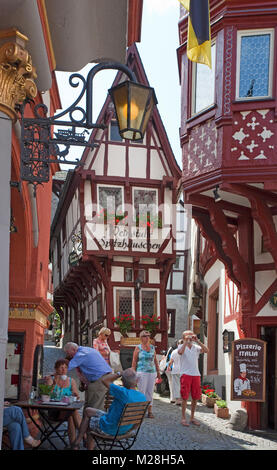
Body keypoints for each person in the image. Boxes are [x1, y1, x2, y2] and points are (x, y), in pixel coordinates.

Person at [70, 368, 147, 450]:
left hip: (109, 428)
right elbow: (140, 419)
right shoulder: (142, 397)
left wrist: (119, 373)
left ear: (123, 382)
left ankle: (82, 445)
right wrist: (131, 430)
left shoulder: (122, 392)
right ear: (137, 381)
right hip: (125, 430)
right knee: (88, 410)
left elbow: (104, 379)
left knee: (89, 423)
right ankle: (78, 441)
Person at [64, 342, 113, 410]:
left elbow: (65, 368)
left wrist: (54, 374)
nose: (68, 355)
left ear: (73, 349)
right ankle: (86, 420)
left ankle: (94, 420)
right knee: (89, 405)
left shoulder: (80, 355)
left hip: (99, 380)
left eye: (68, 352)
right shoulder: (87, 349)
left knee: (94, 407)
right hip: (103, 377)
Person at [45, 358, 81, 445]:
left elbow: (77, 396)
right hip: (54, 410)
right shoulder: (51, 379)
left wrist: (75, 395)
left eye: (65, 367)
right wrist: (54, 382)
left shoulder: (71, 381)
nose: (64, 370)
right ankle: (83, 437)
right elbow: (46, 395)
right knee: (72, 413)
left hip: (67, 409)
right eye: (61, 367)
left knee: (71, 414)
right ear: (56, 369)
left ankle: (74, 444)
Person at [178, 330, 209, 426]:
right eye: (188, 336)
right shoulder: (181, 346)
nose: (190, 338)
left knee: (195, 397)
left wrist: (198, 341)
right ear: (184, 338)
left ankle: (192, 417)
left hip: (196, 374)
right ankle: (183, 418)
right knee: (184, 397)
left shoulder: (196, 347)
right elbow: (180, 352)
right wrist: (185, 343)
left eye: (191, 336)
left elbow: (207, 350)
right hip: (185, 374)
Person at [131, 330, 161, 418]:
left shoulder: (152, 347)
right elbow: (134, 360)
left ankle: (149, 411)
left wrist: (158, 372)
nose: (147, 337)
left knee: (150, 392)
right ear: (141, 338)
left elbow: (155, 360)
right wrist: (133, 372)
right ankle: (140, 411)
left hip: (152, 372)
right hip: (142, 372)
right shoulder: (138, 347)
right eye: (145, 336)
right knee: (141, 392)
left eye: (148, 336)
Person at [167, 340, 182, 405]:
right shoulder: (186, 351)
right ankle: (182, 399)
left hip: (175, 370)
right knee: (182, 386)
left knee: (176, 386)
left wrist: (169, 366)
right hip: (184, 370)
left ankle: (178, 400)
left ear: (177, 344)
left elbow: (171, 361)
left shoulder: (174, 351)